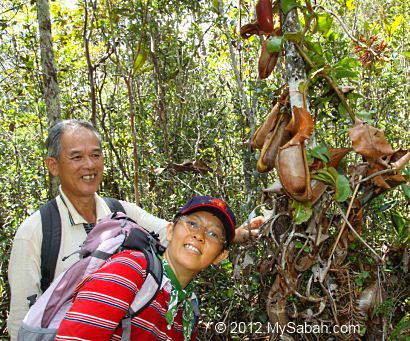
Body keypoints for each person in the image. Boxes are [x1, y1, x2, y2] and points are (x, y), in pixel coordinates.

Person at [7, 119, 264, 340]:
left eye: (96, 155)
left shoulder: (121, 211)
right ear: (53, 165)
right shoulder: (36, 231)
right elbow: (20, 318)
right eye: (77, 156)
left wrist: (237, 234)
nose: (89, 165)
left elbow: (176, 235)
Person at [56, 195, 236, 340]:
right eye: (193, 224)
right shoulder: (130, 269)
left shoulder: (189, 308)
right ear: (171, 231)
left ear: (221, 256)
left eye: (213, 234)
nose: (199, 235)